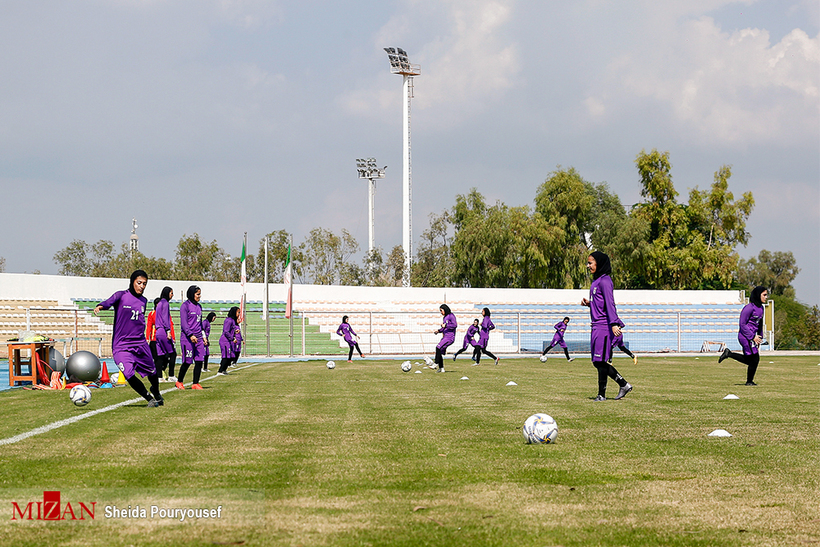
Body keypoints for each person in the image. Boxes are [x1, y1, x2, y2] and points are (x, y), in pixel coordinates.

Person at [94, 270, 163, 407]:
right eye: (139, 283)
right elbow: (109, 302)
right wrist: (100, 306)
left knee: (153, 372)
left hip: (140, 343)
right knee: (128, 374)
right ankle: (149, 398)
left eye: (144, 284)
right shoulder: (121, 296)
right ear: (132, 282)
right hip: (121, 346)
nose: (142, 286)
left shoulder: (144, 301)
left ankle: (156, 391)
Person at [581, 251, 633, 401]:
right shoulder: (596, 281)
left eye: (590, 263)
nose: (588, 265)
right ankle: (623, 384)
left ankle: (602, 394)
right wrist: (590, 304)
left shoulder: (605, 281)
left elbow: (610, 303)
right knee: (597, 361)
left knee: (600, 361)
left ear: (600, 263)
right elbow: (601, 304)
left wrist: (614, 323)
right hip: (596, 325)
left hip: (604, 326)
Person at [719, 286, 767, 386]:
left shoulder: (761, 308)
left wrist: (760, 337)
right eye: (764, 295)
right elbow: (742, 324)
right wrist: (752, 337)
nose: (766, 297)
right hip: (745, 336)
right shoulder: (749, 308)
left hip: (753, 337)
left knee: (752, 359)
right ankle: (749, 381)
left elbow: (760, 323)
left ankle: (729, 354)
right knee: (754, 359)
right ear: (758, 295)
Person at [177, 285, 205, 390]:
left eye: (199, 294)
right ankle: (179, 381)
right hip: (187, 338)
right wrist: (190, 335)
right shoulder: (185, 306)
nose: (199, 296)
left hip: (199, 338)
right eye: (198, 294)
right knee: (188, 361)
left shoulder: (199, 307)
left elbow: (200, 323)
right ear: (192, 294)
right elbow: (184, 324)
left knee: (199, 360)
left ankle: (195, 383)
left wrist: (203, 336)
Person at [154, 287, 176, 382]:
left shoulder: (159, 304)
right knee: (173, 353)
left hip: (158, 331)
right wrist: (168, 330)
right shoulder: (165, 303)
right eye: (171, 293)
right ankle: (171, 375)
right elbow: (165, 318)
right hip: (163, 330)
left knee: (160, 355)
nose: (172, 295)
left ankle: (159, 377)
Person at [430, 304, 457, 372]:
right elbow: (444, 328)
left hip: (450, 337)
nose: (441, 312)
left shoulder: (451, 316)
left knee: (438, 347)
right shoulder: (444, 318)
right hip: (445, 336)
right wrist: (438, 331)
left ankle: (435, 363)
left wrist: (446, 325)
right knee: (440, 351)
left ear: (445, 309)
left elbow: (454, 325)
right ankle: (441, 368)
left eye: (441, 310)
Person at [218, 307, 241, 375]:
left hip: (229, 341)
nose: (239, 314)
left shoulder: (233, 321)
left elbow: (230, 330)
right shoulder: (229, 320)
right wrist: (232, 338)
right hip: (224, 341)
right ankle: (220, 370)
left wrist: (235, 331)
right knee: (226, 355)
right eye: (238, 312)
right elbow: (226, 331)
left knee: (231, 355)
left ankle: (224, 369)